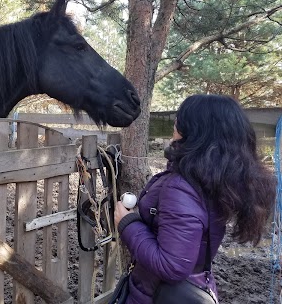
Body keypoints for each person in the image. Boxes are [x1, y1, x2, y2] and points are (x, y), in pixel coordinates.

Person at [114, 94, 276, 304]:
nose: (175, 123)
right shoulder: (213, 179)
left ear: (195, 129)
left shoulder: (182, 186)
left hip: (156, 295)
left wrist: (127, 224)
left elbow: (172, 266)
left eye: (180, 119)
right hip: (189, 286)